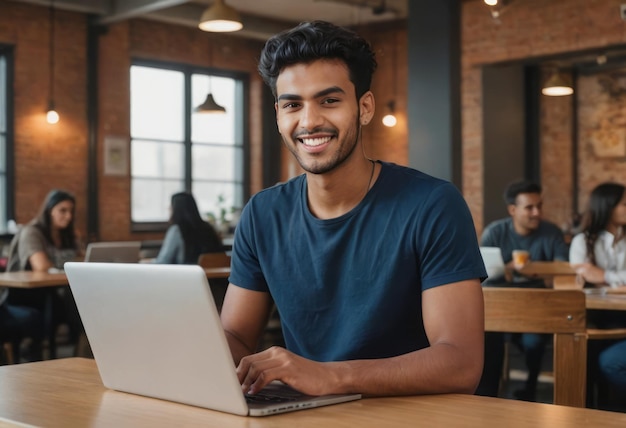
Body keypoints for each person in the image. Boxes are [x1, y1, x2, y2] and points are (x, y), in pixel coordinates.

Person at [220, 20, 486, 398]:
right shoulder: (263, 213)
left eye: (329, 100)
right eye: (292, 105)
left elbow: (460, 363)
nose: (309, 121)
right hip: (305, 415)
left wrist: (330, 377)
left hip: (411, 418)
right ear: (278, 116)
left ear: (364, 108)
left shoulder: (433, 205)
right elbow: (233, 337)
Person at [476, 180, 569, 401]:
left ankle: (530, 390)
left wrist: (533, 271)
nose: (537, 212)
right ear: (512, 210)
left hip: (537, 307)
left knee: (533, 342)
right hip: (498, 307)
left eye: (539, 206)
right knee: (488, 340)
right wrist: (508, 269)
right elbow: (481, 276)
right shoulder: (495, 232)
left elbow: (564, 272)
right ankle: (487, 397)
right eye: (529, 207)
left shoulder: (551, 232)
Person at [5, 189, 82, 360]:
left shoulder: (69, 235)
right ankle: (82, 345)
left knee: (81, 297)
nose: (68, 216)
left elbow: (83, 260)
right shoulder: (31, 231)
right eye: (63, 210)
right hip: (27, 295)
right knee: (74, 302)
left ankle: (84, 346)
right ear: (49, 210)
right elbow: (41, 266)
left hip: (57, 291)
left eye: (71, 211)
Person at [569, 182, 626, 411]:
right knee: (586, 359)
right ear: (607, 207)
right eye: (624, 204)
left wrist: (603, 276)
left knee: (609, 361)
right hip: (593, 319)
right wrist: (619, 281)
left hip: (622, 320)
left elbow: (593, 276)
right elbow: (580, 279)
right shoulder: (582, 241)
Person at [153, 192, 223, 265]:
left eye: (171, 205)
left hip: (185, 275)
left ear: (176, 208)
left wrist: (144, 264)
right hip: (213, 275)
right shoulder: (208, 228)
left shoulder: (176, 230)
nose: (168, 208)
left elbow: (163, 261)